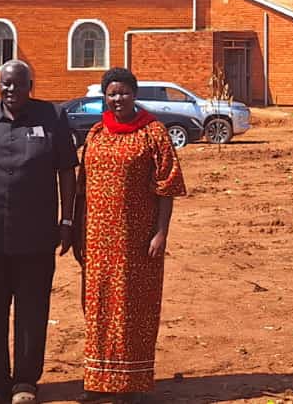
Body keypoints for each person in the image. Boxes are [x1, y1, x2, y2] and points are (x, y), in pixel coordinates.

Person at [0, 60, 78, 404]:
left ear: (30, 86)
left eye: (18, 83)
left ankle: (25, 381)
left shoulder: (52, 116)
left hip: (36, 235)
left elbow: (66, 170)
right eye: (5, 83)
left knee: (33, 310)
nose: (11, 89)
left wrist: (67, 221)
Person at [74, 67, 187, 403]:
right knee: (98, 308)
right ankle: (98, 382)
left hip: (137, 241)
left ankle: (131, 385)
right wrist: (79, 233)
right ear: (104, 97)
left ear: (134, 94)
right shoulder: (97, 133)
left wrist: (161, 233)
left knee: (133, 310)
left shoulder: (153, 133)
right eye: (112, 93)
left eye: (123, 92)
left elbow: (167, 186)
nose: (118, 98)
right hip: (98, 241)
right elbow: (82, 188)